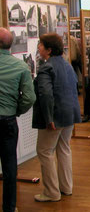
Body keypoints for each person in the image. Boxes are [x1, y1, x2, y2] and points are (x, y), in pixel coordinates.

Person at [32, 33, 81, 202]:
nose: (39, 47)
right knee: (64, 148)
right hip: (69, 114)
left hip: (56, 116)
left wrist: (48, 118)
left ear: (49, 50)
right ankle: (66, 187)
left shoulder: (47, 67)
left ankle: (51, 192)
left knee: (44, 151)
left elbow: (45, 94)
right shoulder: (66, 65)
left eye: (41, 45)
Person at [0, 27, 36, 212]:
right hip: (7, 120)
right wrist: (16, 111)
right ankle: (9, 207)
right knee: (9, 166)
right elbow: (30, 98)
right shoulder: (20, 66)